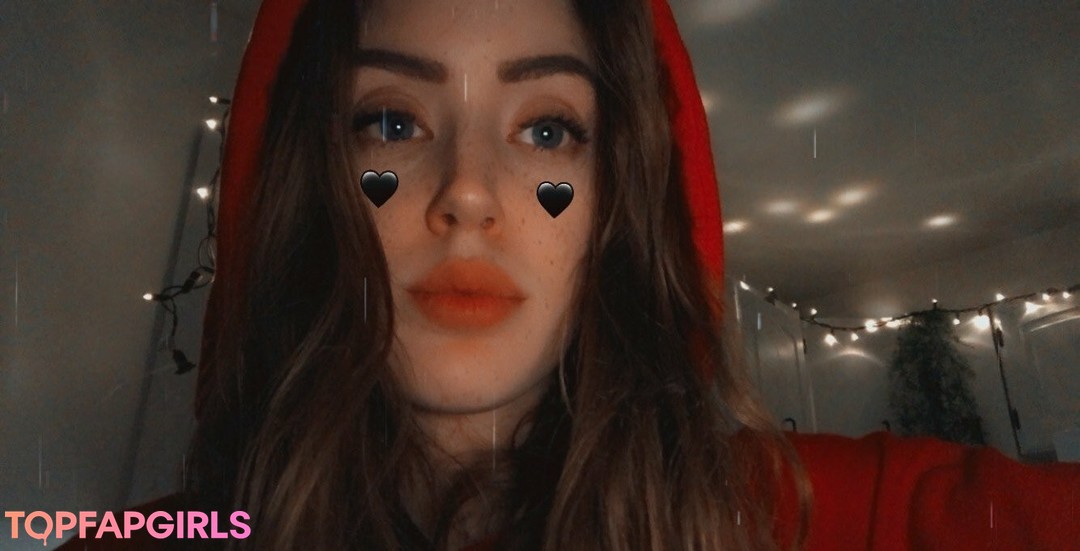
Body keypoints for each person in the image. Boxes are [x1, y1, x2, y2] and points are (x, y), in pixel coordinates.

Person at [60, 0, 1079, 549]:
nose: (469, 191)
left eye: (548, 130)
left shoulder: (806, 516)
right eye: (393, 121)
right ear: (310, 185)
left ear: (616, 208)